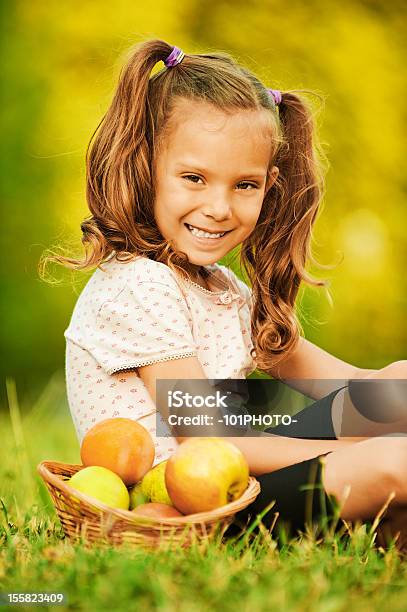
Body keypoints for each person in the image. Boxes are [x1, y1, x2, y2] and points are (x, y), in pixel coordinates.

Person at [43, 39, 407, 546]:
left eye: (245, 185)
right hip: (198, 505)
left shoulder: (224, 289)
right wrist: (353, 453)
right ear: (145, 166)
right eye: (194, 178)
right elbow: (207, 435)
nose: (219, 207)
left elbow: (345, 384)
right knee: (396, 462)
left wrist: (388, 408)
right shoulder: (137, 283)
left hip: (242, 471)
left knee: (401, 383)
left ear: (270, 185)